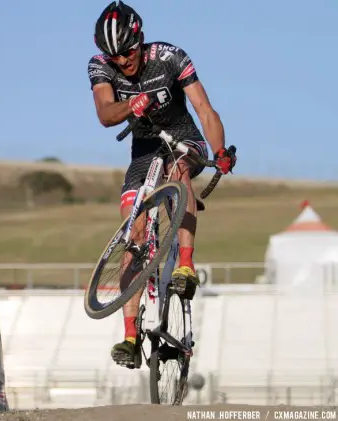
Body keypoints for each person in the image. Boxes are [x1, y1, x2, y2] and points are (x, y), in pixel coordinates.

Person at [87, 0, 236, 367]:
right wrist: (132, 104)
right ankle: (130, 336)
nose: (123, 61)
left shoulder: (170, 57)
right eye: (115, 56)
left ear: (141, 40)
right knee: (132, 232)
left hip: (185, 139)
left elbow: (204, 110)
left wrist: (219, 150)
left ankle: (185, 264)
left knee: (180, 172)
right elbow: (106, 113)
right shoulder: (101, 67)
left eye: (128, 53)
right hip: (144, 152)